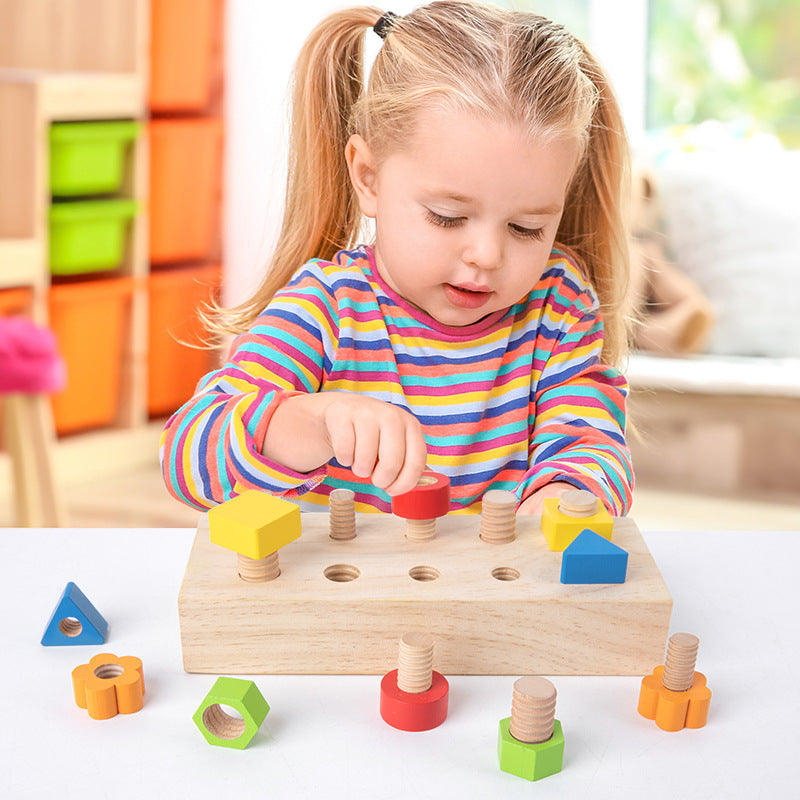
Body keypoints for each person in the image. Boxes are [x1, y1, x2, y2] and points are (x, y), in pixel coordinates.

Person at [160, 1, 634, 518]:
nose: (487, 256)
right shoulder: (325, 308)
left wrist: (566, 498)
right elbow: (187, 457)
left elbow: (592, 446)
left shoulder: (558, 306)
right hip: (344, 594)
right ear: (367, 176)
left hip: (488, 596)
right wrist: (311, 422)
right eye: (447, 217)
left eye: (527, 228)